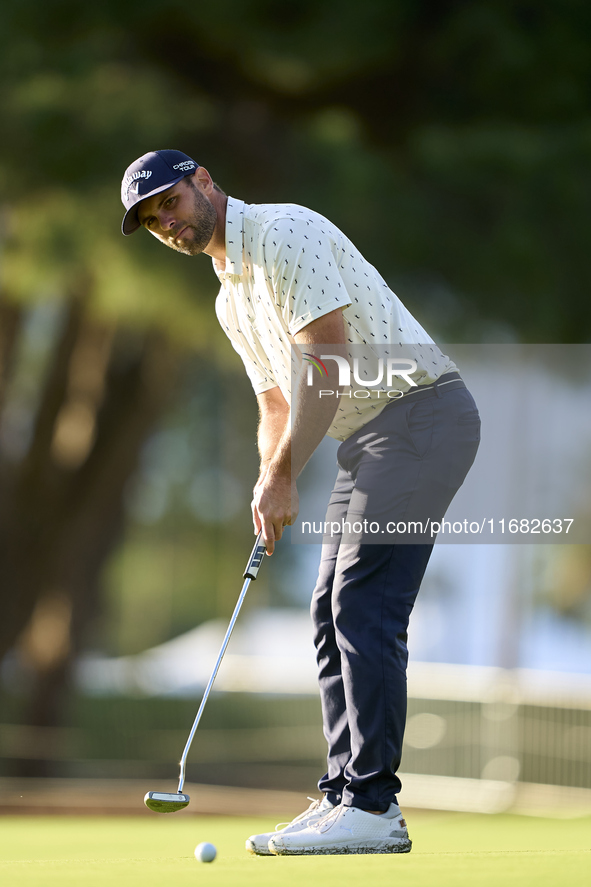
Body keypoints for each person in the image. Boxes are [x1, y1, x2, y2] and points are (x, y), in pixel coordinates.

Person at [120, 149, 481, 856]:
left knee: (363, 604)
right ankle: (343, 793)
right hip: (375, 436)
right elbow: (275, 399)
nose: (166, 221)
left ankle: (374, 804)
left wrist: (284, 474)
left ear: (205, 182)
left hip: (423, 416)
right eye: (151, 218)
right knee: (327, 610)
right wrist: (267, 481)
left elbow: (326, 362)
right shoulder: (229, 297)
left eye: (170, 200)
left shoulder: (285, 233)